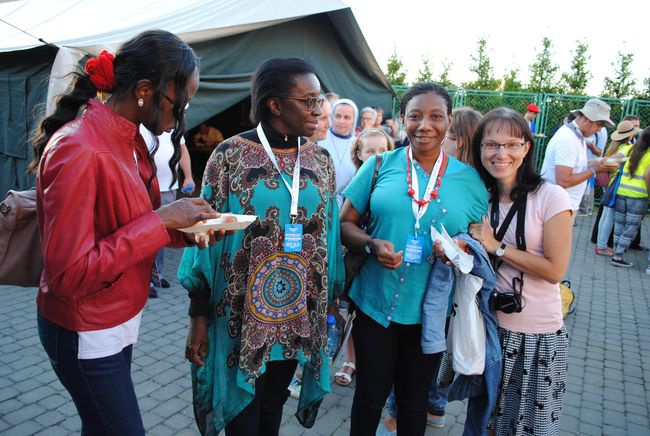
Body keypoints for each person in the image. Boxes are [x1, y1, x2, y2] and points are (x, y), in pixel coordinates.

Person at [31, 30, 223, 435]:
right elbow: (68, 274)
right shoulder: (80, 148)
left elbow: (129, 223)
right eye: (181, 102)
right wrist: (163, 220)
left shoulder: (129, 141)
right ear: (144, 90)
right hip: (84, 326)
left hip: (116, 319)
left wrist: (187, 231)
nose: (182, 115)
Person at [178, 57, 344, 436]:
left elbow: (329, 234)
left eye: (319, 101)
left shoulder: (320, 159)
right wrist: (197, 316)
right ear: (274, 104)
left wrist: (329, 297)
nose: (319, 110)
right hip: (239, 311)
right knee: (243, 416)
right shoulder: (230, 156)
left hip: (296, 314)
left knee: (271, 408)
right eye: (309, 101)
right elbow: (202, 239)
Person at [340, 82, 487, 435]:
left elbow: (478, 243)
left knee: (414, 400)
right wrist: (372, 245)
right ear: (402, 119)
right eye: (415, 115)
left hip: (430, 314)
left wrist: (458, 250)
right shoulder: (379, 165)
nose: (425, 125)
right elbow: (345, 223)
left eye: (436, 117)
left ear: (448, 121)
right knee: (370, 397)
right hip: (375, 304)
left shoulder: (469, 181)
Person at [468, 107, 573, 436]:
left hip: (535, 337)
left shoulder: (551, 197)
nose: (501, 154)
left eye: (511, 144)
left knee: (527, 426)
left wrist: (496, 245)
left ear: (527, 147)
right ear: (480, 150)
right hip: (489, 328)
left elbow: (555, 270)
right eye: (491, 145)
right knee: (484, 421)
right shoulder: (480, 198)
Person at [141, 126, 195, 297]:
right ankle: (145, 280)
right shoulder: (142, 119)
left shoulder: (174, 123)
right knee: (145, 233)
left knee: (163, 233)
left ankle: (158, 275)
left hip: (169, 188)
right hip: (144, 188)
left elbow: (181, 148)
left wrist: (188, 176)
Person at [540, 98, 617, 218]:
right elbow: (563, 181)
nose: (600, 129)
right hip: (558, 208)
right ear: (586, 118)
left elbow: (574, 166)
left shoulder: (576, 136)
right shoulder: (568, 140)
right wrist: (594, 170)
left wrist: (596, 163)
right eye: (599, 124)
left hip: (562, 205)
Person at [593, 120, 639, 256]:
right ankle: (601, 246)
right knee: (610, 216)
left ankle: (600, 244)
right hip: (617, 185)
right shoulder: (628, 148)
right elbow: (609, 161)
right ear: (630, 135)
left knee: (606, 215)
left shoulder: (617, 146)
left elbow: (607, 160)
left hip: (612, 183)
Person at [611, 128, 650, 267]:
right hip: (639, 195)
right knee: (631, 227)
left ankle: (616, 252)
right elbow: (647, 176)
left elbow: (613, 158)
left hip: (622, 191)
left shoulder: (630, 149)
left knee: (620, 224)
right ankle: (618, 256)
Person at [322, 98, 359, 207]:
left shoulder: (358, 143)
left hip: (348, 202)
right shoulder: (320, 138)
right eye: (337, 116)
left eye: (347, 117)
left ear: (354, 120)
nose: (341, 121)